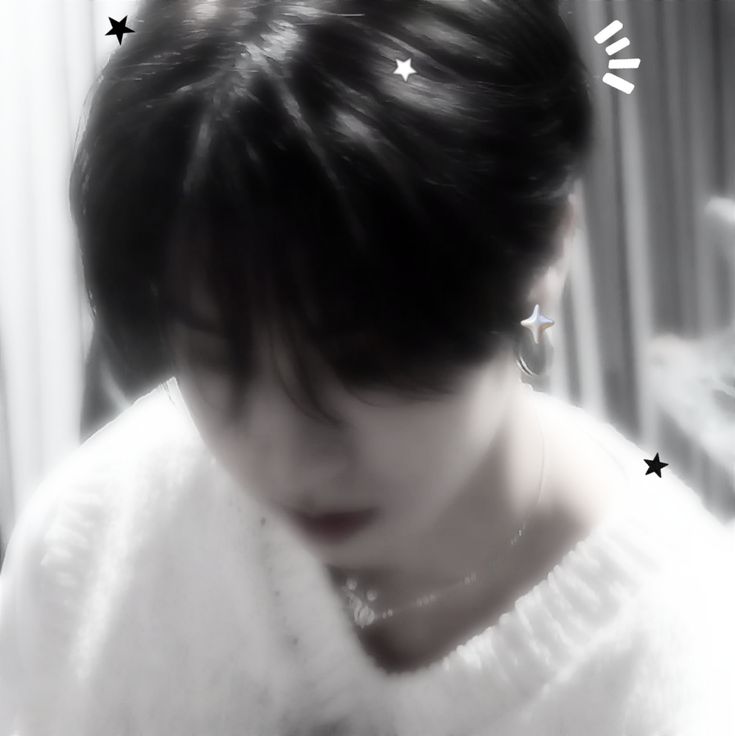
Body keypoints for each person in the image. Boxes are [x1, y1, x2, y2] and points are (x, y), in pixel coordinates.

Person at [2, 0, 735, 734]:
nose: (290, 459)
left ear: (542, 255)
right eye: (219, 357)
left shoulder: (681, 673)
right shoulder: (98, 535)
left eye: (362, 361)